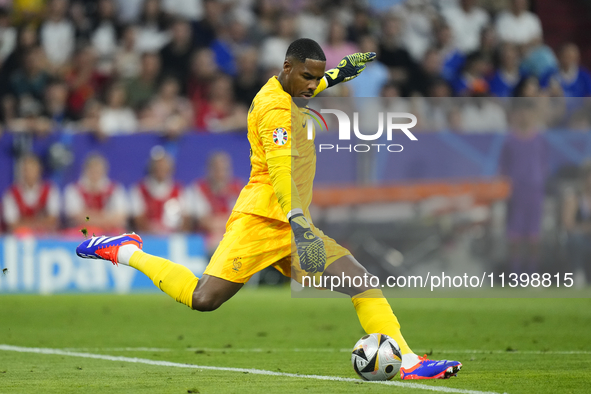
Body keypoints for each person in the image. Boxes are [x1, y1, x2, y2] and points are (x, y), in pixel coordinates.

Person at [76, 39, 462, 380]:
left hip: (294, 225)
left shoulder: (294, 85)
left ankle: (408, 360)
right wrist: (299, 222)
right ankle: (124, 250)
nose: (313, 85)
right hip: (263, 219)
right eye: (309, 77)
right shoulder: (273, 109)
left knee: (362, 282)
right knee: (203, 299)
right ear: (287, 68)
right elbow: (280, 172)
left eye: (317, 78)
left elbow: (316, 83)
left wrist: (342, 72)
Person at [185, 152, 243, 254]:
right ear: (209, 170)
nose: (220, 173)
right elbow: (204, 222)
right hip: (205, 243)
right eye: (216, 169)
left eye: (224, 169)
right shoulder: (198, 190)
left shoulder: (239, 190)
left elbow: (242, 220)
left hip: (235, 241)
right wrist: (226, 221)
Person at [64, 153, 128, 235]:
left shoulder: (115, 189)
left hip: (109, 229)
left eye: (98, 170)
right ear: (85, 170)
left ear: (105, 171)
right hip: (84, 230)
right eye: (92, 169)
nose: (95, 173)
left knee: (121, 233)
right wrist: (102, 220)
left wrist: (92, 217)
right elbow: (77, 216)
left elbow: (120, 216)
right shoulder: (73, 189)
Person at [2, 154, 60, 235]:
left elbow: (53, 220)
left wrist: (25, 222)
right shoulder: (11, 194)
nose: (30, 173)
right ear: (21, 172)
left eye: (33, 169)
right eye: (26, 170)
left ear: (39, 170)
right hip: (20, 238)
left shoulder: (50, 190)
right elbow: (12, 224)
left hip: (44, 238)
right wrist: (39, 222)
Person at [130, 149, 185, 235]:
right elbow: (138, 219)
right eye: (157, 166)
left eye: (163, 166)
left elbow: (185, 219)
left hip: (172, 237)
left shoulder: (179, 190)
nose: (160, 169)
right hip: (148, 238)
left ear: (170, 168)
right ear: (151, 168)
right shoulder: (139, 190)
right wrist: (154, 231)